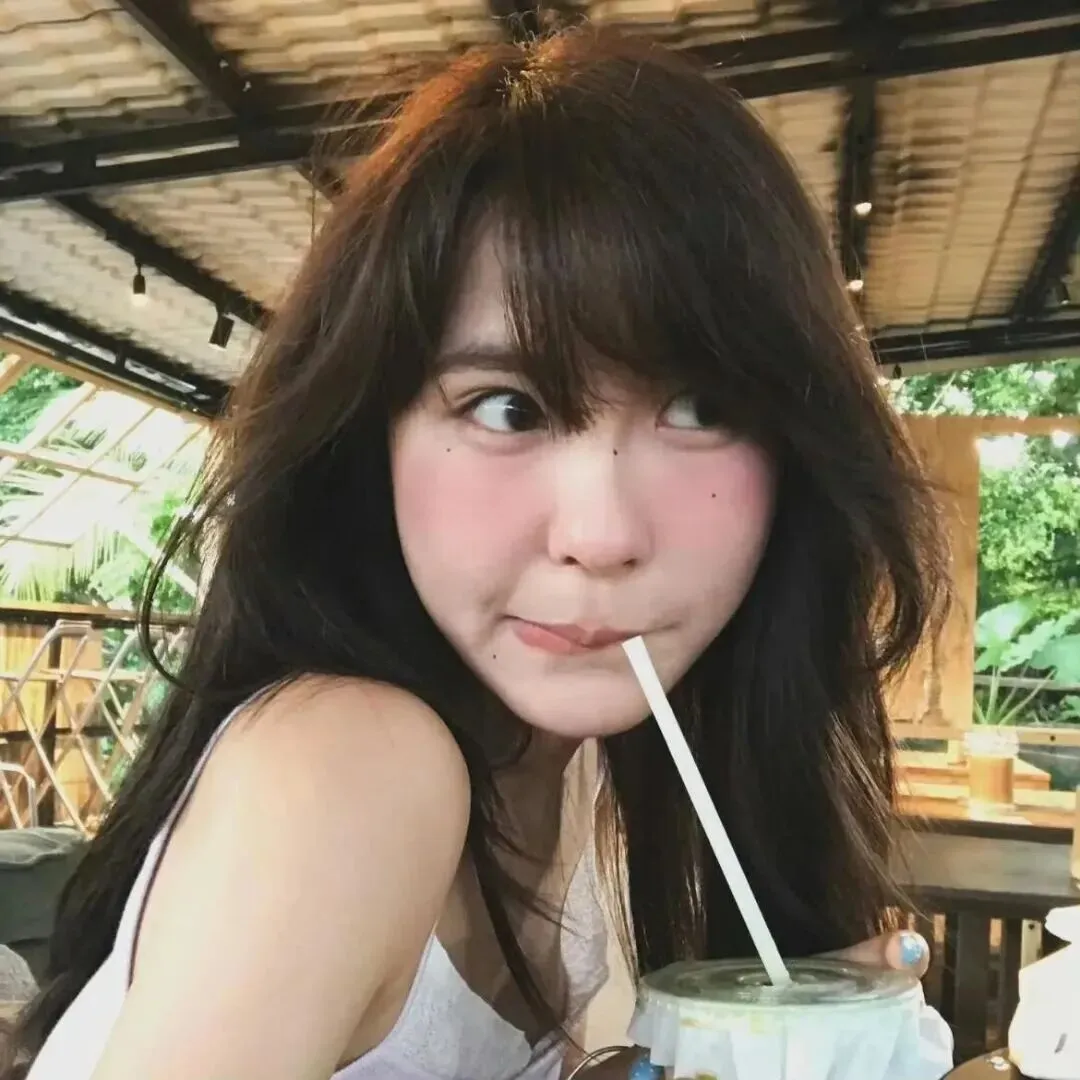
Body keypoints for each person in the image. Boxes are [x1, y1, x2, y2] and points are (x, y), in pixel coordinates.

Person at [3, 27, 954, 1080]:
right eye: (507, 407)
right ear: (371, 436)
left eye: (701, 407)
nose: (599, 535)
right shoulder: (350, 764)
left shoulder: (568, 763)